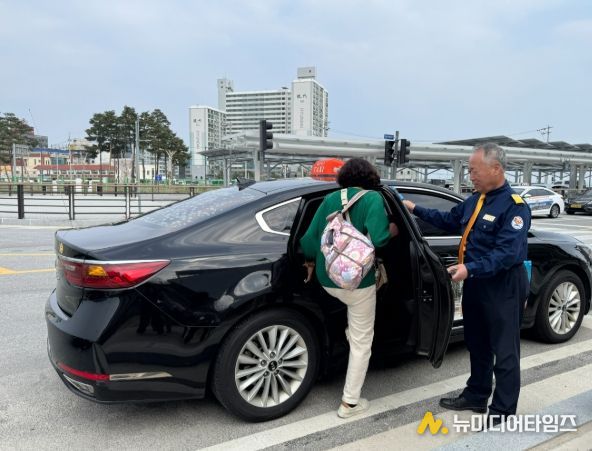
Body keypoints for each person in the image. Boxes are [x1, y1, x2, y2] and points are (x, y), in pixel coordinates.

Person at [403, 143, 531, 426]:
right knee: (477, 343)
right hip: (476, 284)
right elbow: (448, 219)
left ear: (495, 169)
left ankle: (502, 413)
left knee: (505, 351)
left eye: (474, 170)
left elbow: (507, 254)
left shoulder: (515, 206)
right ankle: (477, 395)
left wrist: (470, 268)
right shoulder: (475, 201)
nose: (470, 176)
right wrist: (414, 208)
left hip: (503, 286)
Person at [300, 158, 397, 419]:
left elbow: (308, 240)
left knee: (347, 317)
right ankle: (350, 403)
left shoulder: (330, 199)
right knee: (362, 341)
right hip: (357, 282)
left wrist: (310, 262)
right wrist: (393, 230)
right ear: (370, 178)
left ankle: (348, 334)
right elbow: (379, 239)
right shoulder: (373, 199)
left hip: (327, 278)